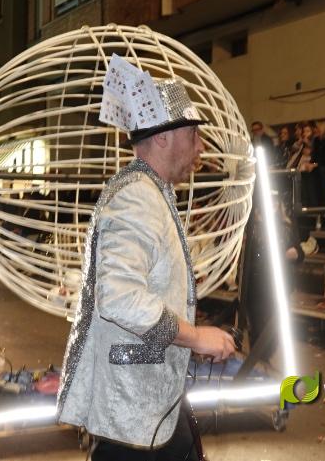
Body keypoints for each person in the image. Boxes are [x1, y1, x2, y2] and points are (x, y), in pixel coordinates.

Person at [57, 76, 235, 460]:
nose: (200, 148)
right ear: (163, 137)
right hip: (132, 413)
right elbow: (119, 298)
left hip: (151, 406)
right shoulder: (138, 196)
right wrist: (196, 337)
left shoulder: (152, 191)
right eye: (194, 135)